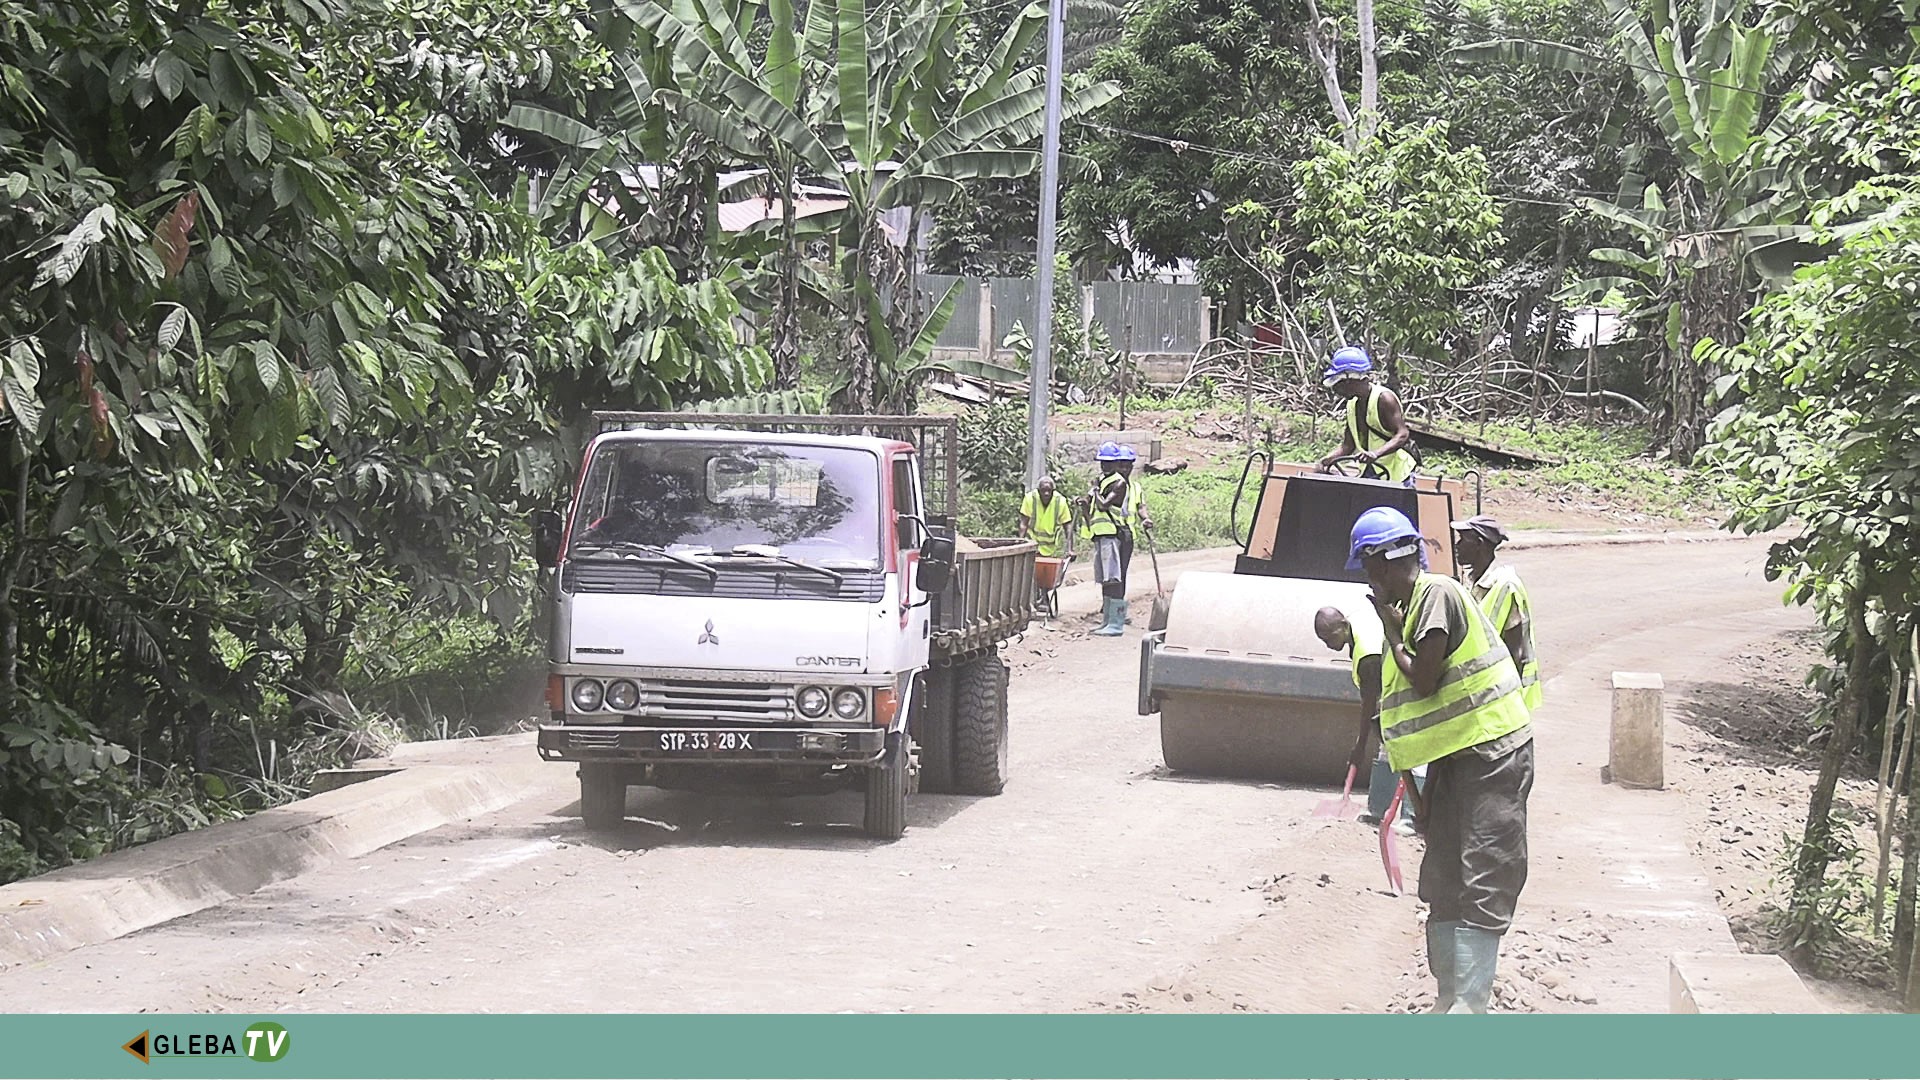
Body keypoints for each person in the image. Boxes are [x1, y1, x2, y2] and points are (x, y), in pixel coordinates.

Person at [1349, 505, 1533, 1014]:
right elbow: (1414, 720)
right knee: (1444, 876)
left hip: (1494, 750)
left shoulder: (1436, 595)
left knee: (1484, 871)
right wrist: (1423, 796)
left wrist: (1389, 631)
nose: (1369, 582)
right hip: (1458, 757)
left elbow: (1424, 679)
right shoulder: (1413, 609)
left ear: (1381, 563)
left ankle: (1467, 1009)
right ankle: (1448, 999)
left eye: (1367, 569)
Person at [1314, 606, 1418, 831]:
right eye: (1324, 641)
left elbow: (1369, 704)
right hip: (1393, 691)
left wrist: (1359, 746)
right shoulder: (1357, 622)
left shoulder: (1367, 654)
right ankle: (1378, 810)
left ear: (1343, 625)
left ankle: (1412, 818)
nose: (1329, 645)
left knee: (1413, 750)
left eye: (1331, 637)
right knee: (1386, 748)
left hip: (1408, 690)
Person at [1451, 515, 1542, 712]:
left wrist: (1503, 700)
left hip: (1505, 698)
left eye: (1463, 540)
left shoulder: (1506, 585)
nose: (1457, 545)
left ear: (1479, 544)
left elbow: (1514, 652)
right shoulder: (1472, 581)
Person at [1315, 346, 1417, 486]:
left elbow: (1403, 434)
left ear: (1348, 381)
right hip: (1370, 472)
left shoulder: (1384, 399)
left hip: (1396, 475)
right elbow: (1348, 446)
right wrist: (1326, 460)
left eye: (1337, 385)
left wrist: (1375, 454)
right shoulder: (1352, 405)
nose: (1336, 391)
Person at [1087, 442, 1151, 636]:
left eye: (1125, 464)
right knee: (1108, 579)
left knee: (1116, 578)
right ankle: (1107, 619)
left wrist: (1096, 491)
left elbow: (1105, 505)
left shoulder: (1120, 483)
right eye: (1103, 462)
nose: (1105, 466)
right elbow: (1093, 510)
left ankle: (1116, 622)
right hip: (1103, 534)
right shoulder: (1105, 480)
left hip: (1119, 533)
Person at [1019, 476, 1072, 558]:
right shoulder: (1030, 499)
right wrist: (1020, 545)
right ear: (1038, 491)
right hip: (1032, 546)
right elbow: (1023, 524)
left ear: (1053, 491)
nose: (1046, 493)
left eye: (1049, 491)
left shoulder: (1060, 501)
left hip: (1051, 548)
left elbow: (1068, 527)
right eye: (1043, 490)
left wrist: (1070, 549)